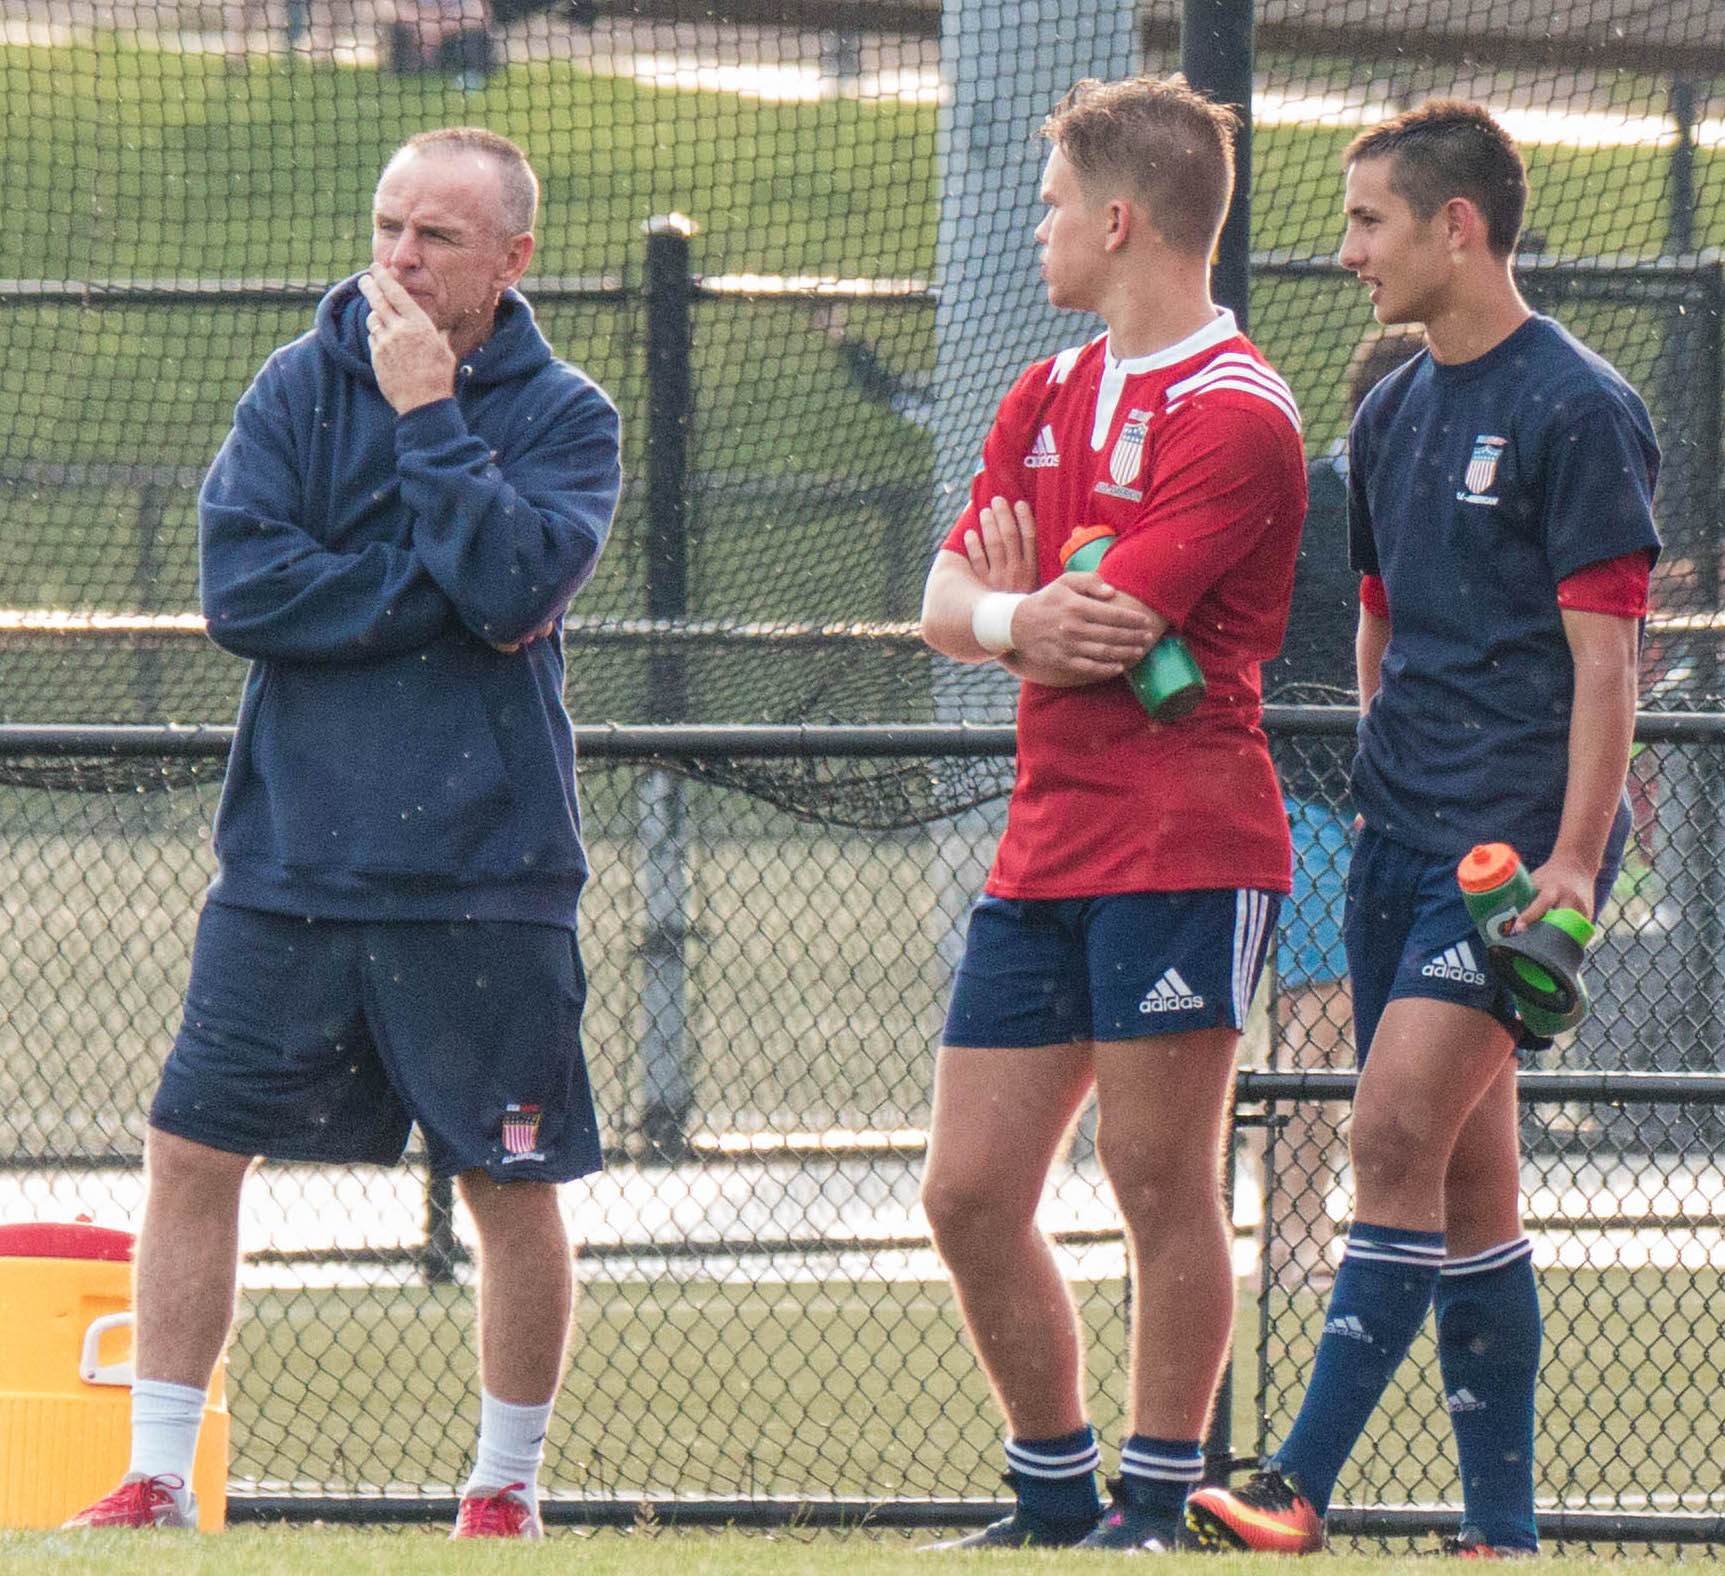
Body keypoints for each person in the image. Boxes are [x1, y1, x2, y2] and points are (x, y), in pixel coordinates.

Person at [64, 127, 622, 1540]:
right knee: (192, 1150)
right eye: (388, 226)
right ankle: (158, 1480)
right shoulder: (294, 385)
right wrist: (419, 598)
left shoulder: (567, 416)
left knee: (510, 1177)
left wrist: (434, 420)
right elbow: (244, 592)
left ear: (512, 259)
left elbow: (506, 588)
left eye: (436, 236)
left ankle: (504, 1492)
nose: (399, 258)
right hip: (290, 869)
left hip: (486, 876)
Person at [1186, 100, 1659, 1557]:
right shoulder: (1390, 411)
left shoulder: (1582, 408)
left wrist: (1572, 865)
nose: (1345, 252)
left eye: (1368, 222)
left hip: (1515, 859)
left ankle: (1294, 1486)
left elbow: (1606, 667)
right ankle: (1501, 1531)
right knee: (1468, 1185)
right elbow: (1384, 629)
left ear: (1458, 228)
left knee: (1386, 1130)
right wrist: (1393, 782)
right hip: (1399, 840)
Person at [917, 75, 1308, 1552]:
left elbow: (1117, 622)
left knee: (1157, 1181)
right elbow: (953, 606)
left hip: (1184, 839)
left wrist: (1027, 606)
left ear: (1122, 219)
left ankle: (1157, 1504)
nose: (1039, 229)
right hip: (1046, 837)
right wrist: (1024, 605)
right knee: (966, 1192)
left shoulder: (1240, 413)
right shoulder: (1045, 389)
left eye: (1053, 205)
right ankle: (1051, 1495)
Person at [1259, 327, 1424, 1295]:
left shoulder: (1419, 505)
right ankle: (1284, 1240)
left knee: (1355, 1025)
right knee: (1314, 1023)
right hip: (1301, 796)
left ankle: (1318, 1229)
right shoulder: (1311, 501)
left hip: (1386, 802)